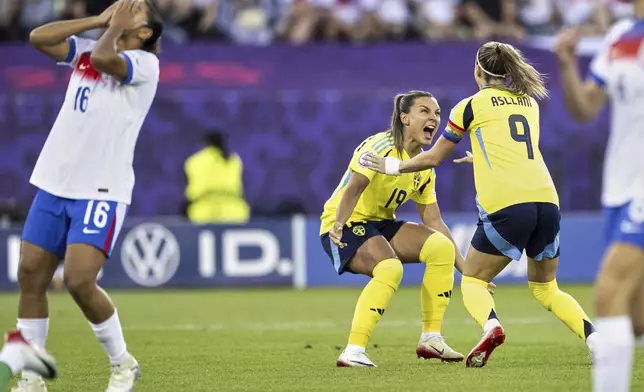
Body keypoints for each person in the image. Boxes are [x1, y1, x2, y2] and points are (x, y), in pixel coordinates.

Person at [361, 42, 597, 368]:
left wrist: (388, 166)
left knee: (472, 280)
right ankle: (596, 340)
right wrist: (483, 160)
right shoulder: (529, 102)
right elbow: (518, 152)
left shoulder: (469, 106)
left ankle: (492, 326)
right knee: (546, 289)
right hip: (546, 200)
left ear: (477, 70)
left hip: (507, 206)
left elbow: (432, 158)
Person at [16, 1, 163, 391]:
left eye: (134, 9)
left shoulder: (145, 65)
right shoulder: (87, 47)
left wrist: (109, 28)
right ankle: (32, 374)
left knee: (80, 280)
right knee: (30, 274)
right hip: (55, 182)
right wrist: (100, 20)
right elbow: (38, 37)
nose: (123, 7)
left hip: (100, 189)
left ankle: (123, 364)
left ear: (145, 31)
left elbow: (102, 56)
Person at [320, 90, 494, 367]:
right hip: (345, 222)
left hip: (381, 223)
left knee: (440, 247)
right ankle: (353, 350)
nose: (434, 119)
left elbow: (434, 222)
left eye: (437, 113)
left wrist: (468, 271)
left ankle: (431, 338)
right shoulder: (379, 146)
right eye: (425, 111)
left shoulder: (423, 167)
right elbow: (353, 189)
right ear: (404, 118)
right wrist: (338, 224)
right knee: (389, 268)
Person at [555, 2, 644, 390]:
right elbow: (586, 107)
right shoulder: (620, 36)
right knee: (635, 318)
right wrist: (565, 65)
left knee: (609, 293)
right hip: (620, 189)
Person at [184, 131, 250, 223]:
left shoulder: (194, 161)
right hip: (234, 212)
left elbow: (189, 192)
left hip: (203, 212)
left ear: (205, 143)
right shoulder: (234, 160)